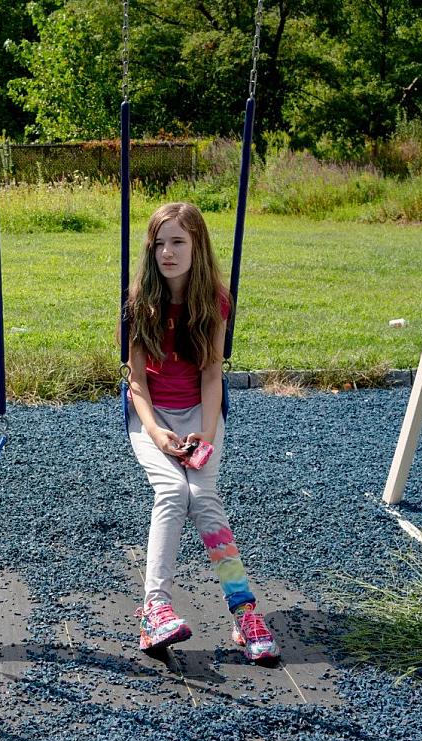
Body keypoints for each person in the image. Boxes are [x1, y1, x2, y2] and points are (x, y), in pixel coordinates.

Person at [124, 202, 279, 662]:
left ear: (198, 247)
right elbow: (136, 382)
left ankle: (244, 612)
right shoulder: (137, 301)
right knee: (173, 491)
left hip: (200, 413)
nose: (167, 253)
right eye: (159, 244)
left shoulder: (214, 299)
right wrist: (156, 434)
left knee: (205, 498)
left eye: (178, 242)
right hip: (150, 416)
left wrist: (206, 437)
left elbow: (212, 375)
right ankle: (155, 609)